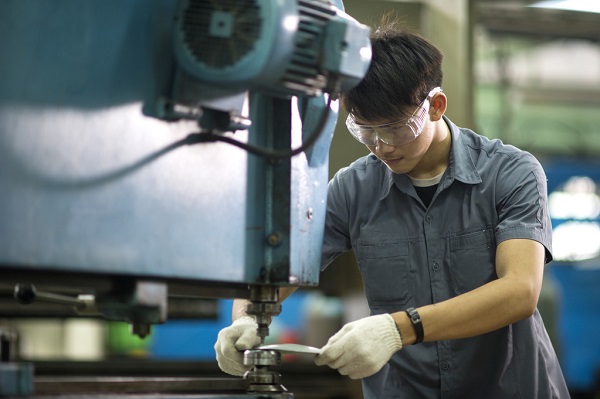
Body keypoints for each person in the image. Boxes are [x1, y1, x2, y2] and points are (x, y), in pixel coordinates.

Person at [214, 17, 570, 399]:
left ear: (435, 106)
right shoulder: (354, 189)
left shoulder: (511, 173)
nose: (381, 146)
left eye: (395, 128)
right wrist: (245, 317)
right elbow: (282, 266)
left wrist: (399, 328)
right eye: (365, 131)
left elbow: (519, 290)